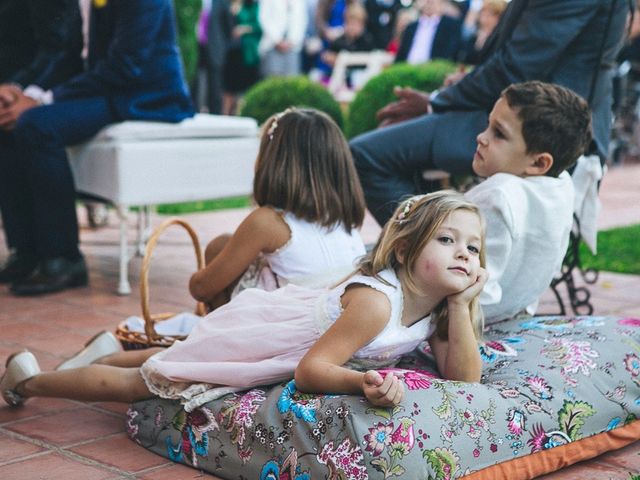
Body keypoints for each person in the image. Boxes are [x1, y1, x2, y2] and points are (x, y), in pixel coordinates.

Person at [0, 191, 487, 410]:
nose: (463, 253)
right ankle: (32, 381)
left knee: (169, 356)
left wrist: (463, 305)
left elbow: (464, 377)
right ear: (403, 248)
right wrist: (365, 384)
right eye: (447, 240)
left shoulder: (441, 307)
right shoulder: (376, 304)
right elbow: (312, 370)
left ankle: (88, 357)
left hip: (280, 340)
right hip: (268, 341)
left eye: (473, 246)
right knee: (146, 382)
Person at [350, 0, 630, 226]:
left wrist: (434, 102)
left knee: (365, 155)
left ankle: (428, 256)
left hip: (536, 130)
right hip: (514, 116)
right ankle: (434, 246)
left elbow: (517, 68)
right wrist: (461, 86)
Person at [0, 0, 195, 296]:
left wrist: (43, 102)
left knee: (37, 126)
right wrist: (23, 93)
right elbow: (66, 56)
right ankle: (28, 252)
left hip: (146, 96)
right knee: (9, 124)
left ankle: (63, 257)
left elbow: (126, 66)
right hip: (109, 88)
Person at [189, 108, 367, 311]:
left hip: (295, 326)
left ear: (272, 162)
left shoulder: (267, 222)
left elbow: (201, 289)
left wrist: (195, 281)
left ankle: (222, 332)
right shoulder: (344, 219)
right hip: (343, 319)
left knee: (219, 247)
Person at [465, 81, 591, 324]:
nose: (482, 137)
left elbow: (476, 284)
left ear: (538, 163)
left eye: (499, 133)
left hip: (464, 325)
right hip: (513, 313)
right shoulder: (561, 184)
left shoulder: (499, 195)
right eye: (488, 125)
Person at [222, 0, 261, 115]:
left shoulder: (254, 6)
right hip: (233, 52)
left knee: (245, 89)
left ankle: (241, 113)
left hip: (249, 54)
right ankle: (226, 115)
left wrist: (245, 28)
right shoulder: (230, 6)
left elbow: (259, 25)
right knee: (230, 88)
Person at [394, 0, 462, 64]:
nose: (429, 3)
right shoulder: (411, 27)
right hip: (407, 68)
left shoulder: (450, 26)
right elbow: (401, 53)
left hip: (432, 70)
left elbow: (451, 52)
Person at [258, 0, 308, 77]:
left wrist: (292, 41)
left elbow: (302, 21)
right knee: (273, 79)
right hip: (273, 46)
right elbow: (264, 18)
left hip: (293, 46)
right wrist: (277, 40)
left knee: (292, 80)